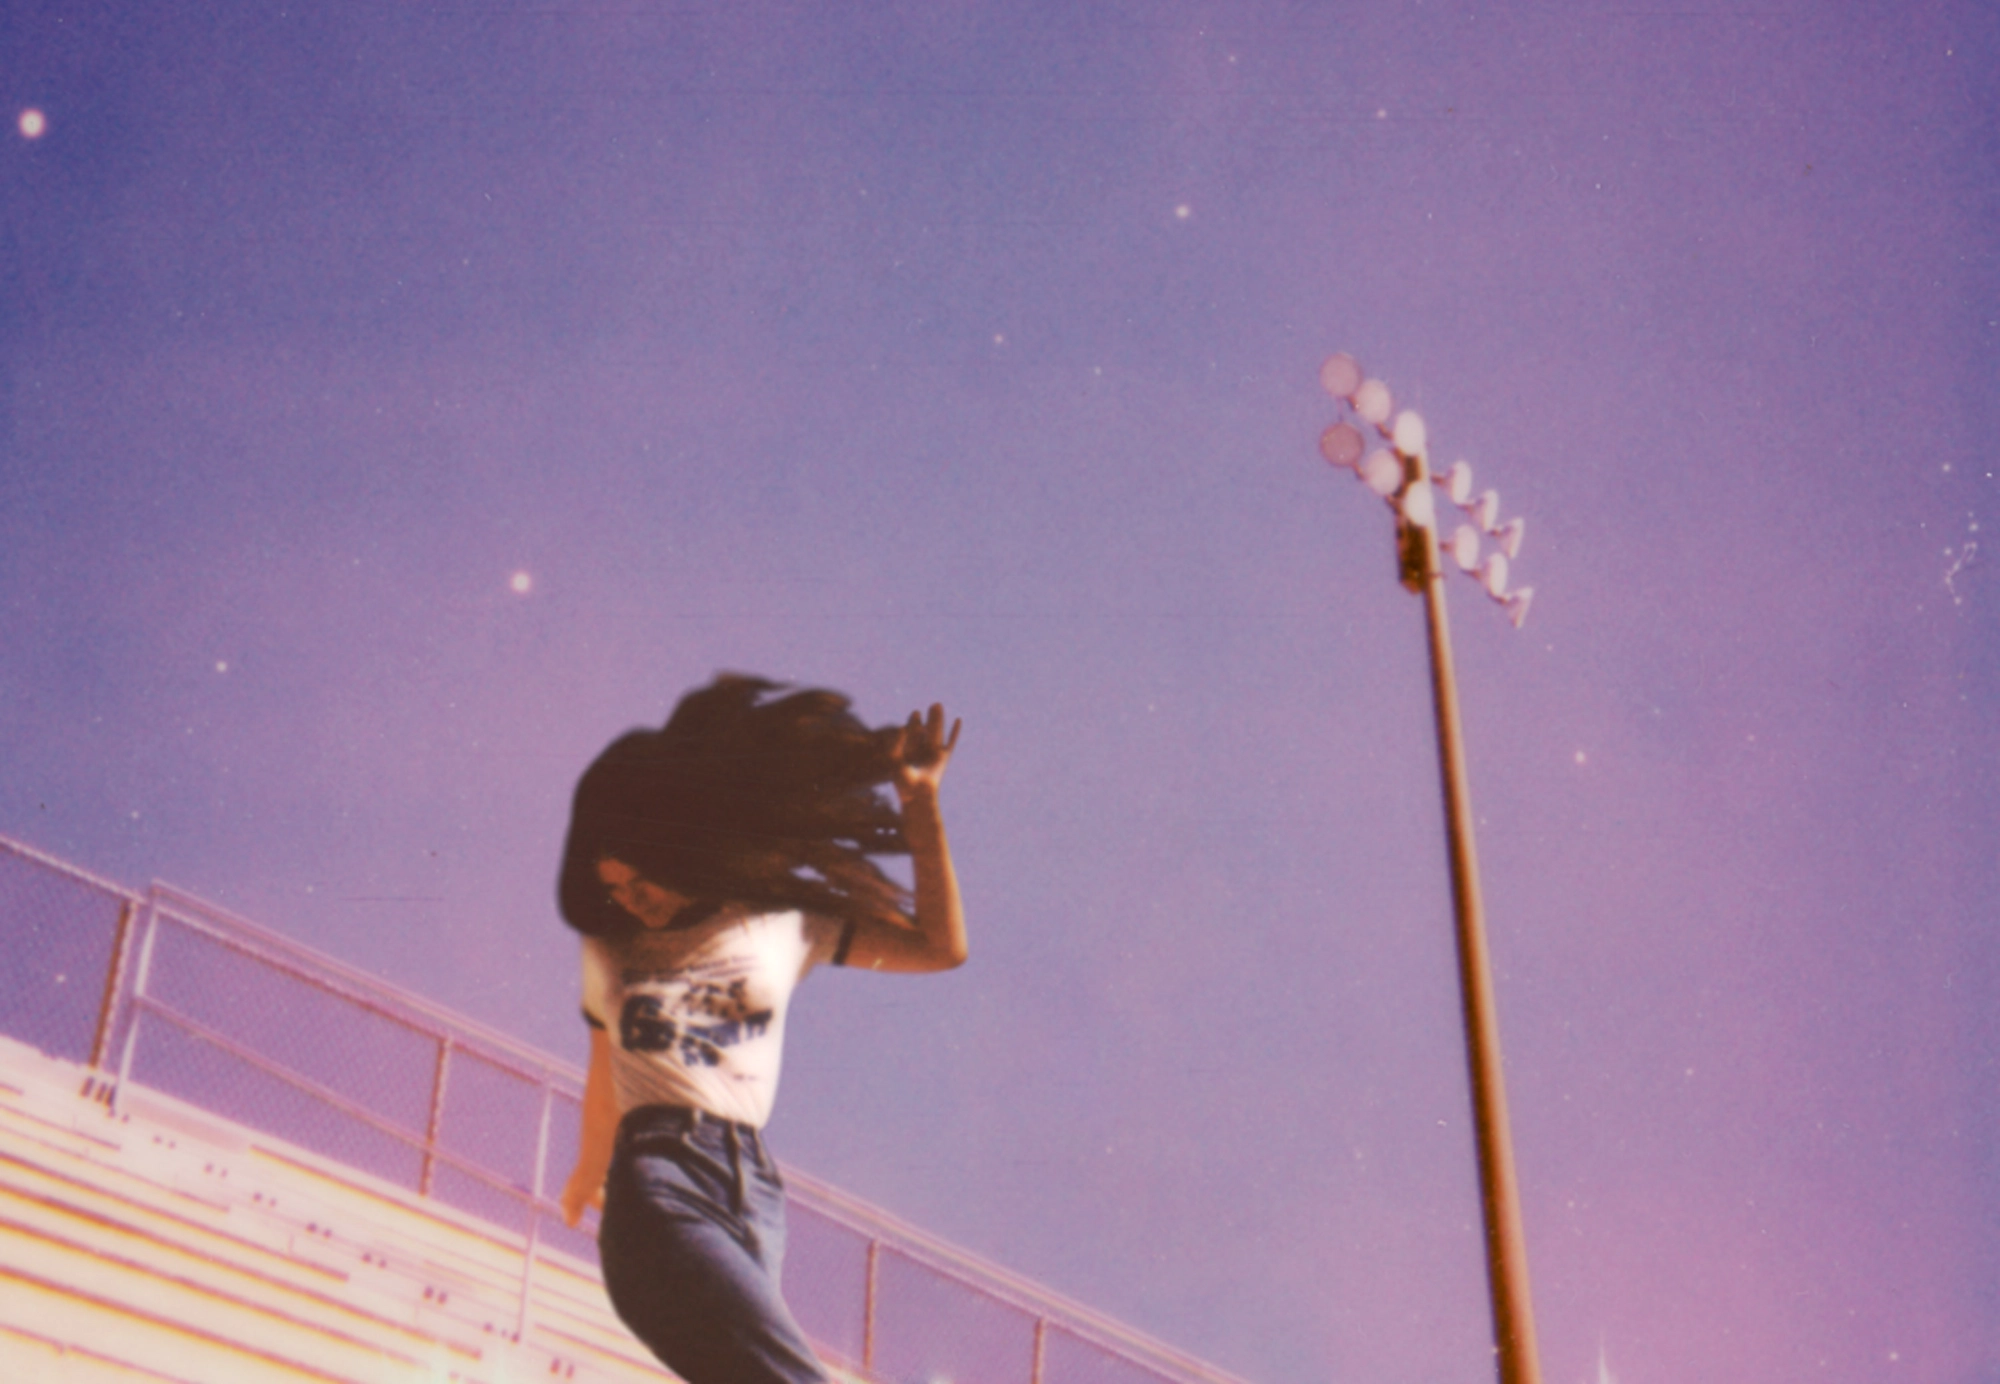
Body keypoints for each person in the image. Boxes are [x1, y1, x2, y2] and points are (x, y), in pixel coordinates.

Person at [554, 674, 965, 1384]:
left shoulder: (780, 925)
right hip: (660, 1184)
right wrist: (592, 1170)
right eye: (616, 890)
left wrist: (920, 805)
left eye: (642, 880)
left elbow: (938, 947)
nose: (632, 901)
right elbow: (604, 1071)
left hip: (755, 1197)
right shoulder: (609, 949)